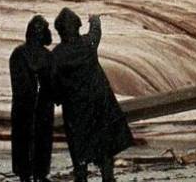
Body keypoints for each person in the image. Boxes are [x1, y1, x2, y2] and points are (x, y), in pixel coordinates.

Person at [51, 9, 134, 182]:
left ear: (60, 31)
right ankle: (108, 177)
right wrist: (94, 18)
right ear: (77, 27)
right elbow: (96, 31)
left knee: (79, 151)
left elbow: (54, 85)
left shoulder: (57, 55)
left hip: (75, 110)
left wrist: (57, 99)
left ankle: (81, 177)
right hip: (99, 104)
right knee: (104, 148)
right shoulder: (88, 44)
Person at [10, 15, 54, 182]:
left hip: (37, 105)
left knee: (38, 139)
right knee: (26, 138)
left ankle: (36, 174)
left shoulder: (25, 53)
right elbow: (19, 83)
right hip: (27, 105)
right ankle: (28, 174)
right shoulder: (20, 54)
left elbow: (51, 82)